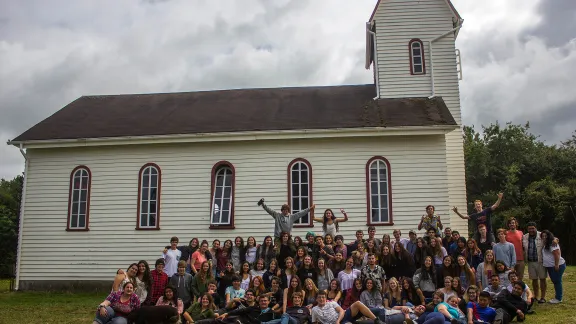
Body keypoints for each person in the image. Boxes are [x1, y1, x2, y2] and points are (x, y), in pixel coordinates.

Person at [311, 290, 382, 324]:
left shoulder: (331, 303)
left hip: (342, 317)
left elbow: (341, 311)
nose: (321, 299)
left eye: (323, 297)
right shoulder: (314, 310)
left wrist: (338, 321)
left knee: (357, 303)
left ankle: (376, 320)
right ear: (316, 299)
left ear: (326, 298)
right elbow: (314, 322)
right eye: (319, 297)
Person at [522, 222, 547, 303]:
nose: (531, 230)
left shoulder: (541, 235)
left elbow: (551, 238)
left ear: (536, 228)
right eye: (529, 228)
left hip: (540, 261)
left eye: (533, 228)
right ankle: (536, 296)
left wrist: (555, 240)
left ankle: (543, 297)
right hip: (530, 262)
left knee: (542, 279)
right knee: (534, 280)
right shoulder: (525, 237)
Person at [541, 230, 566, 304]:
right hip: (550, 266)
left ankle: (558, 298)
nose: (544, 237)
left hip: (557, 265)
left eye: (546, 236)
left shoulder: (552, 243)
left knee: (557, 281)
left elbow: (557, 254)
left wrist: (556, 265)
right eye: (543, 236)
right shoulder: (546, 244)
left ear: (549, 236)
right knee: (555, 281)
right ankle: (558, 297)